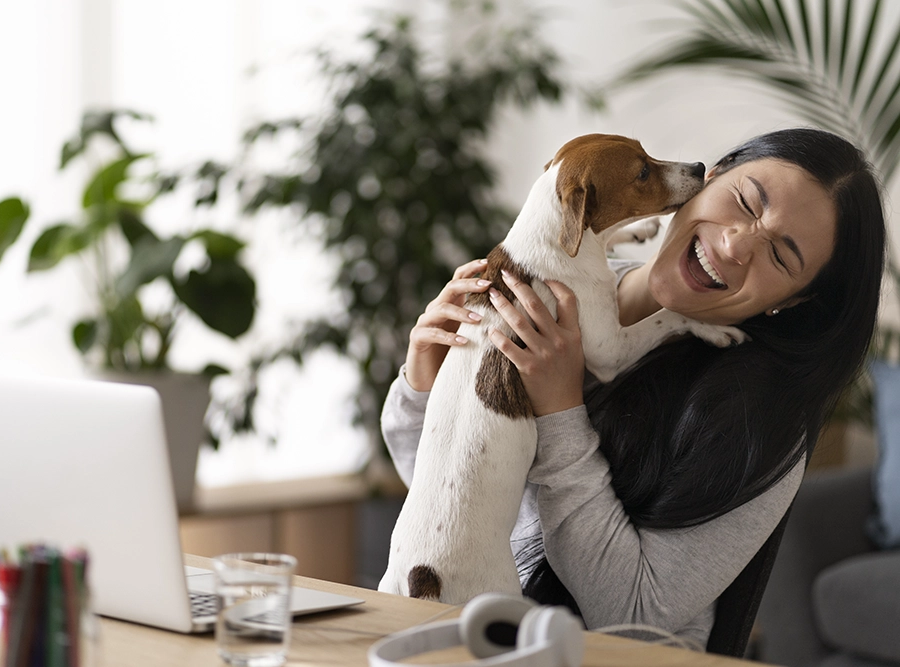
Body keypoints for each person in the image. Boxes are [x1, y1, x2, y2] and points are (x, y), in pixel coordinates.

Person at [380, 128, 886, 649]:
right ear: (711, 176)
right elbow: (444, 495)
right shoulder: (540, 291)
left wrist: (560, 415)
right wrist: (426, 376)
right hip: (459, 628)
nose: (736, 244)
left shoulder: (758, 418)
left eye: (781, 256)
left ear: (794, 301)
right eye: (743, 201)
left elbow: (639, 614)